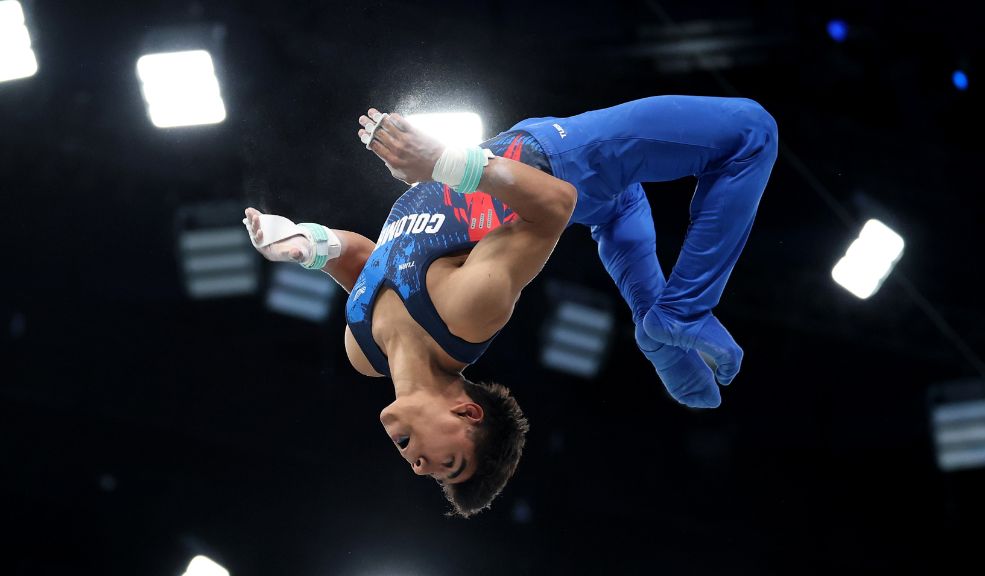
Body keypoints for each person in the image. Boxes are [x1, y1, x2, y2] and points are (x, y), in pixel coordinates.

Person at [243, 95, 778, 518]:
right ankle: (679, 313)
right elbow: (555, 205)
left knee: (619, 208)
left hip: (567, 179)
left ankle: (658, 332)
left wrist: (311, 246)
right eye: (447, 465)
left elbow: (373, 261)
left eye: (426, 473)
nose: (419, 467)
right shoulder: (467, 312)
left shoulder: (362, 350)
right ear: (467, 411)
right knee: (751, 132)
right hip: (563, 160)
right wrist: (442, 161)